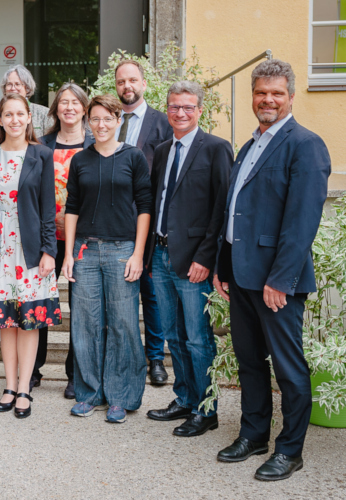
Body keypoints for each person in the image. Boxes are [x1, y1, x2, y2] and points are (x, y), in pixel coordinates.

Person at [214, 60, 330, 481]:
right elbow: (235, 214)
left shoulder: (306, 144)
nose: (268, 99)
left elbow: (301, 223)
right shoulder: (249, 146)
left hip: (275, 282)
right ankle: (254, 434)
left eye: (276, 93)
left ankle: (290, 450)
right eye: (261, 92)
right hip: (241, 277)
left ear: (291, 97)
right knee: (249, 361)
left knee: (289, 368)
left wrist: (281, 279)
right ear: (252, 95)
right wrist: (222, 268)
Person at [145, 81, 232, 437]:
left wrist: (207, 259)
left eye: (188, 107)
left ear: (199, 110)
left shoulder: (216, 148)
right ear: (167, 109)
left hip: (194, 260)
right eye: (174, 107)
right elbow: (156, 202)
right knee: (174, 335)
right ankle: (184, 397)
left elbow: (221, 209)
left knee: (198, 338)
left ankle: (206, 409)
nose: (180, 113)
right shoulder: (163, 149)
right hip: (162, 255)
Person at [62, 93, 151, 424]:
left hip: (122, 251)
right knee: (85, 324)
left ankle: (120, 397)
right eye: (95, 119)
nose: (101, 125)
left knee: (124, 323)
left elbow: (145, 207)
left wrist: (138, 254)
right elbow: (72, 208)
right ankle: (89, 393)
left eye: (107, 119)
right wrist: (69, 254)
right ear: (88, 122)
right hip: (85, 250)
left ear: (118, 121)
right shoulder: (81, 160)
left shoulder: (134, 157)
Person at [0, 93, 60, 419]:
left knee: (29, 322)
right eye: (7, 114)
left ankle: (25, 388)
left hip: (31, 254)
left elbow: (48, 211)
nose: (14, 120)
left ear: (28, 118)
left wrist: (50, 251)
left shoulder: (42, 155)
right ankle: (9, 385)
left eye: (19, 114)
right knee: (5, 322)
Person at [31, 83, 94, 400]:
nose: (69, 107)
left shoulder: (96, 144)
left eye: (75, 102)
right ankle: (32, 369)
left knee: (81, 308)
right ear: (55, 109)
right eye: (63, 103)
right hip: (45, 239)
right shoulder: (41, 144)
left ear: (85, 108)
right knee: (39, 302)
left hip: (82, 238)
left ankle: (76, 374)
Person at [114, 59, 173, 386]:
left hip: (149, 223)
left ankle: (155, 359)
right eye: (121, 82)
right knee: (120, 296)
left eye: (133, 80)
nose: (127, 87)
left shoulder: (161, 123)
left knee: (151, 295)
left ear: (144, 83)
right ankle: (124, 358)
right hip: (114, 221)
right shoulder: (108, 121)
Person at [0, 65, 53, 147]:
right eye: (9, 84)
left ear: (27, 88)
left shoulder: (44, 114)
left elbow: (50, 146)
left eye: (17, 84)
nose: (13, 88)